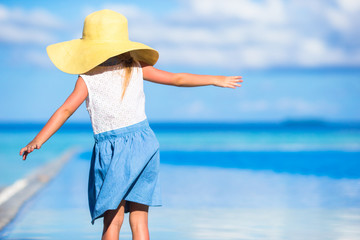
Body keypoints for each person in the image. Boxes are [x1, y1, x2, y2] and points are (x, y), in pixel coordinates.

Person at [19, 9, 242, 240]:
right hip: (145, 143)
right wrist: (214, 80)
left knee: (112, 222)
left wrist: (38, 140)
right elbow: (177, 78)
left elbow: (65, 110)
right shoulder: (135, 66)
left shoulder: (88, 77)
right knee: (140, 221)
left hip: (114, 149)